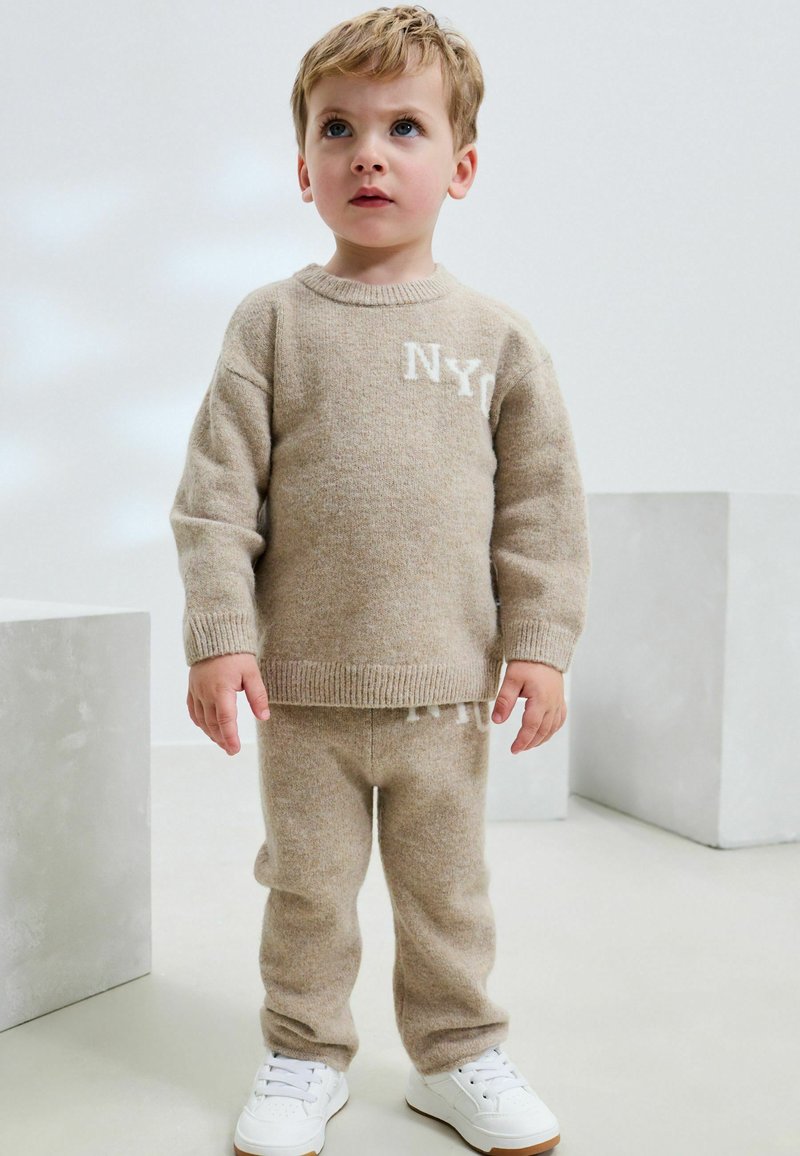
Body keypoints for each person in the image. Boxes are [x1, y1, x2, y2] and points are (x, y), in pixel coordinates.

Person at [169, 5, 591, 1154]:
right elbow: (214, 496)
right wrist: (220, 632)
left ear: (459, 167)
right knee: (306, 888)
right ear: (301, 166)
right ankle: (304, 1053)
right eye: (337, 128)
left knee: (446, 892)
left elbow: (541, 507)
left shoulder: (496, 339)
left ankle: (454, 1055)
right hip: (301, 695)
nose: (368, 153)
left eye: (403, 127)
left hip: (444, 695)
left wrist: (539, 643)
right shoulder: (268, 325)